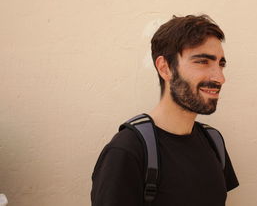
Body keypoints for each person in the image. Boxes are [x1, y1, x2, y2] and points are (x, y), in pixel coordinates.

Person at [91, 14, 239, 206]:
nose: (219, 77)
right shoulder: (127, 151)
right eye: (203, 62)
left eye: (221, 64)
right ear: (165, 68)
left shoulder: (213, 141)